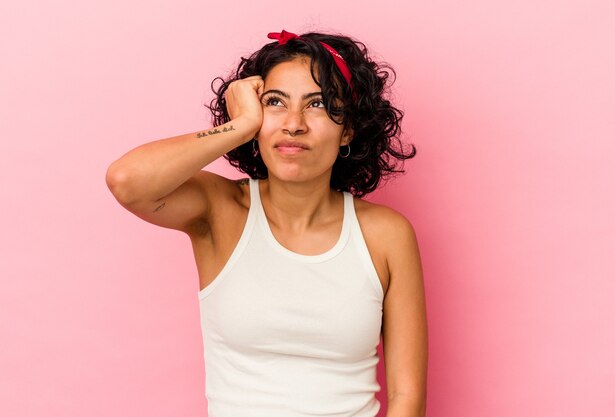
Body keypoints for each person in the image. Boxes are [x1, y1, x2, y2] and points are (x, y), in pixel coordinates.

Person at [106, 29, 427, 417]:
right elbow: (127, 181)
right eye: (275, 103)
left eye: (318, 105)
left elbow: (406, 397)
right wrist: (240, 126)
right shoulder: (220, 210)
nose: (293, 124)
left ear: (349, 130)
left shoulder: (386, 234)